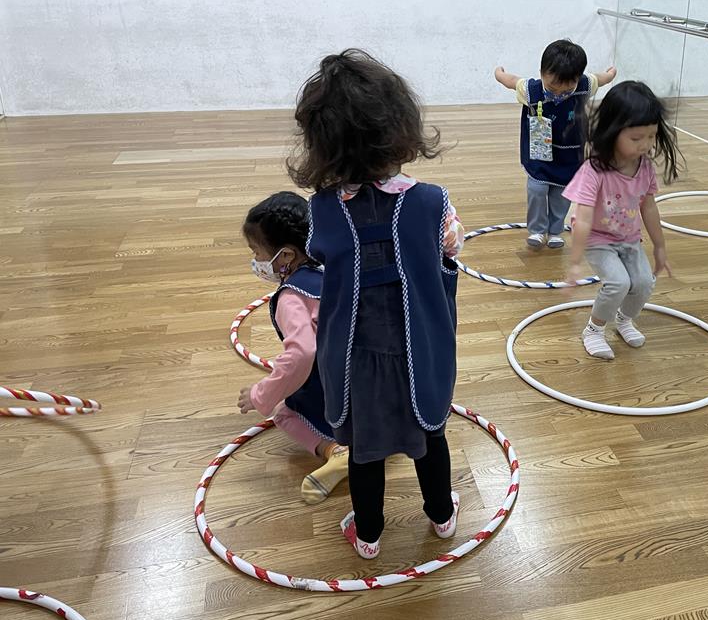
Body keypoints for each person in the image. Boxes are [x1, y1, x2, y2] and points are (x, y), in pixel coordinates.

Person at [290, 49, 464, 559]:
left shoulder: (321, 211)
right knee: (430, 434)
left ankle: (368, 535)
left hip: (353, 358)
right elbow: (451, 248)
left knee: (364, 449)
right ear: (400, 129)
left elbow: (320, 255)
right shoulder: (434, 203)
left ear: (323, 146)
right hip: (421, 351)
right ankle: (442, 516)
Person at [238, 191, 349, 505]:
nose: (256, 261)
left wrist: (261, 393)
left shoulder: (291, 298)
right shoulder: (336, 267)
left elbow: (302, 354)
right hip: (376, 375)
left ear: (285, 255)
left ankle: (336, 452)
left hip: (339, 387)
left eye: (257, 252)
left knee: (284, 413)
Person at [563, 81, 680, 360]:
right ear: (613, 131)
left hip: (628, 238)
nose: (646, 145)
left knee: (644, 282)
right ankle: (594, 329)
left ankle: (624, 319)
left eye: (651, 136)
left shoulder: (645, 167)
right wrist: (575, 262)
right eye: (637, 138)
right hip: (597, 239)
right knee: (618, 283)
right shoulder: (594, 171)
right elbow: (583, 218)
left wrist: (660, 247)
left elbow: (649, 207)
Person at [495, 40, 616, 248]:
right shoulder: (531, 90)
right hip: (539, 153)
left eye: (567, 89)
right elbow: (511, 81)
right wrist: (499, 73)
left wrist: (611, 74)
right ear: (541, 73)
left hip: (569, 154)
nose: (559, 94)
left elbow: (600, 79)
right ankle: (537, 230)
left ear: (578, 78)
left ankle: (555, 231)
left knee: (562, 195)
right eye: (553, 88)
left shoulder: (584, 86)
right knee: (537, 188)